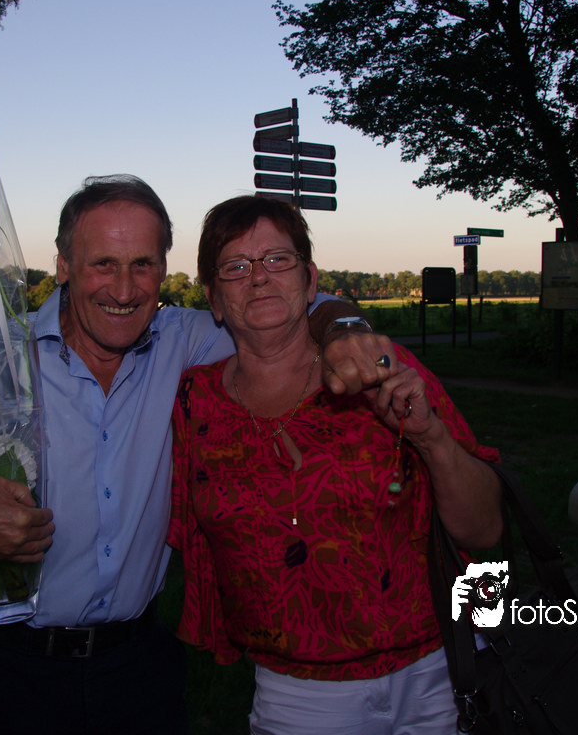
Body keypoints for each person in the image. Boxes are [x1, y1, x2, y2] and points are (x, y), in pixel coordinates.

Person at [0, 175, 398, 735]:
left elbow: (295, 305)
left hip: (140, 673)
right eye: (103, 264)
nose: (123, 289)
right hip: (9, 670)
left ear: (163, 270)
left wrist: (344, 329)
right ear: (64, 266)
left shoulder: (186, 341)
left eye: (142, 264)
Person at [168, 195, 503, 735]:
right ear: (213, 298)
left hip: (439, 670)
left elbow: (485, 531)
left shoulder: (380, 368)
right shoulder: (194, 402)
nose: (259, 277)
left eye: (278, 259)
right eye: (235, 267)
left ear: (310, 280)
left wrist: (431, 438)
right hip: (298, 694)